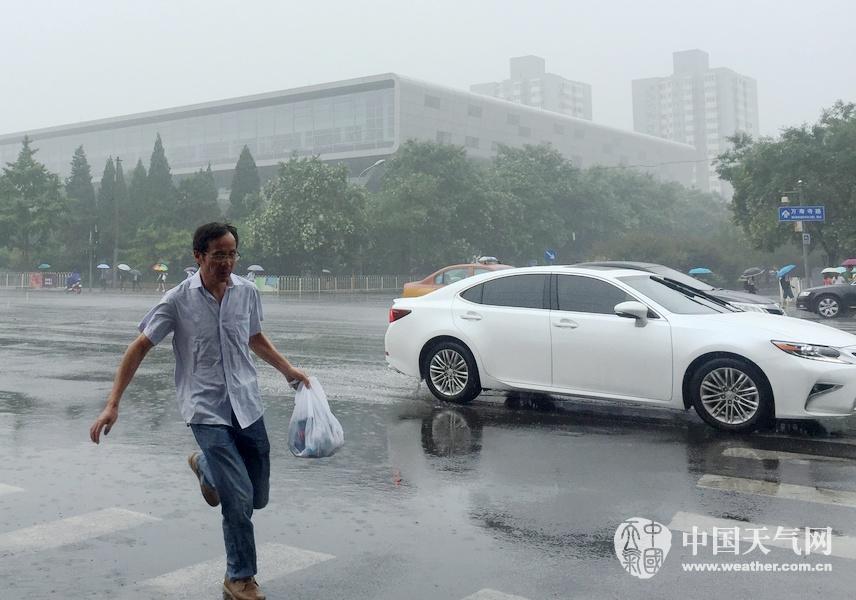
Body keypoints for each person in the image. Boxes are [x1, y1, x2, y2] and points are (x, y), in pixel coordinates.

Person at [89, 222, 310, 600]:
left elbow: (254, 336)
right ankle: (240, 577)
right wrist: (112, 404)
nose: (226, 262)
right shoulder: (177, 300)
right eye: (218, 255)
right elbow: (139, 346)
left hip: (247, 402)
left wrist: (287, 370)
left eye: (231, 254)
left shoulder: (247, 292)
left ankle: (204, 467)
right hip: (204, 408)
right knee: (238, 499)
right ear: (198, 256)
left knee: (257, 497)